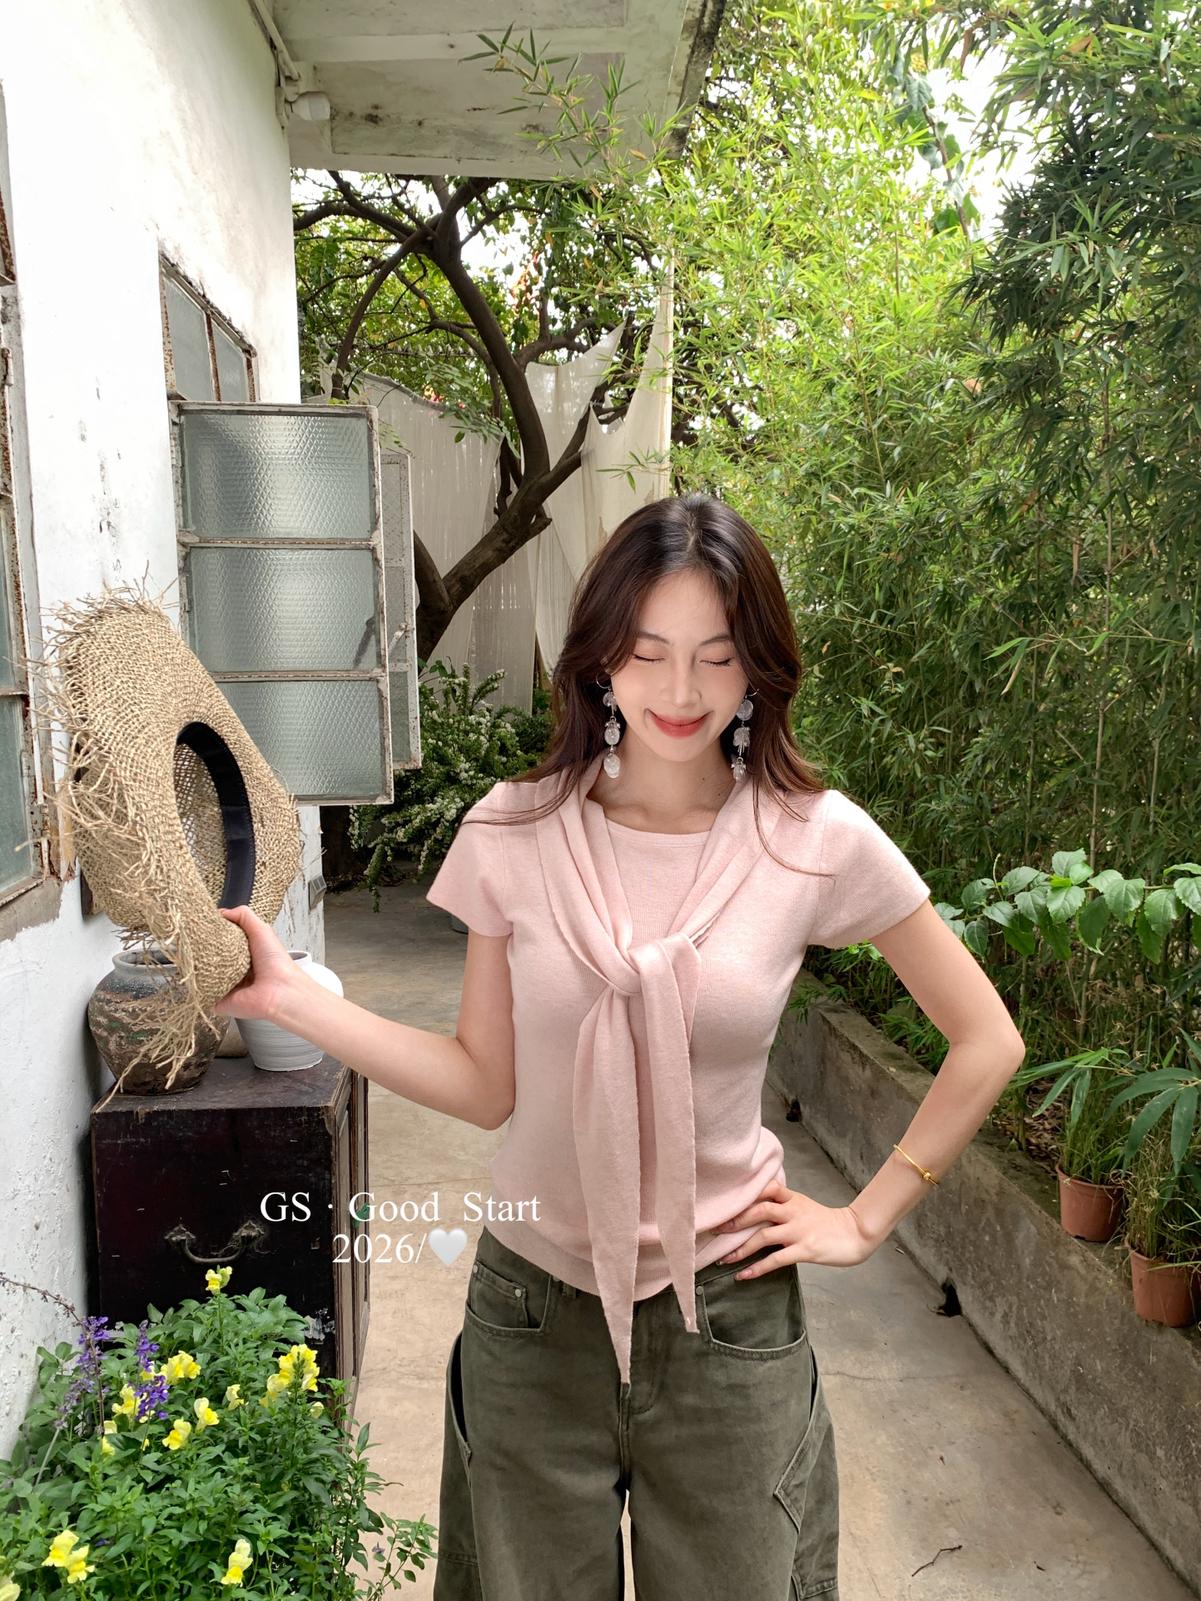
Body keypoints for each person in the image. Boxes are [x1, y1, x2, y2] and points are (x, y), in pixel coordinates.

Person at [214, 492, 1026, 1601]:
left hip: (729, 1311)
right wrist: (295, 1003)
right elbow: (484, 1082)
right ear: (597, 658)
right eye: (646, 653)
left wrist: (864, 1217)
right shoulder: (514, 827)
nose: (680, 691)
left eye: (716, 656)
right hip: (532, 1312)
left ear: (758, 668)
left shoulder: (812, 838)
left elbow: (985, 1038)